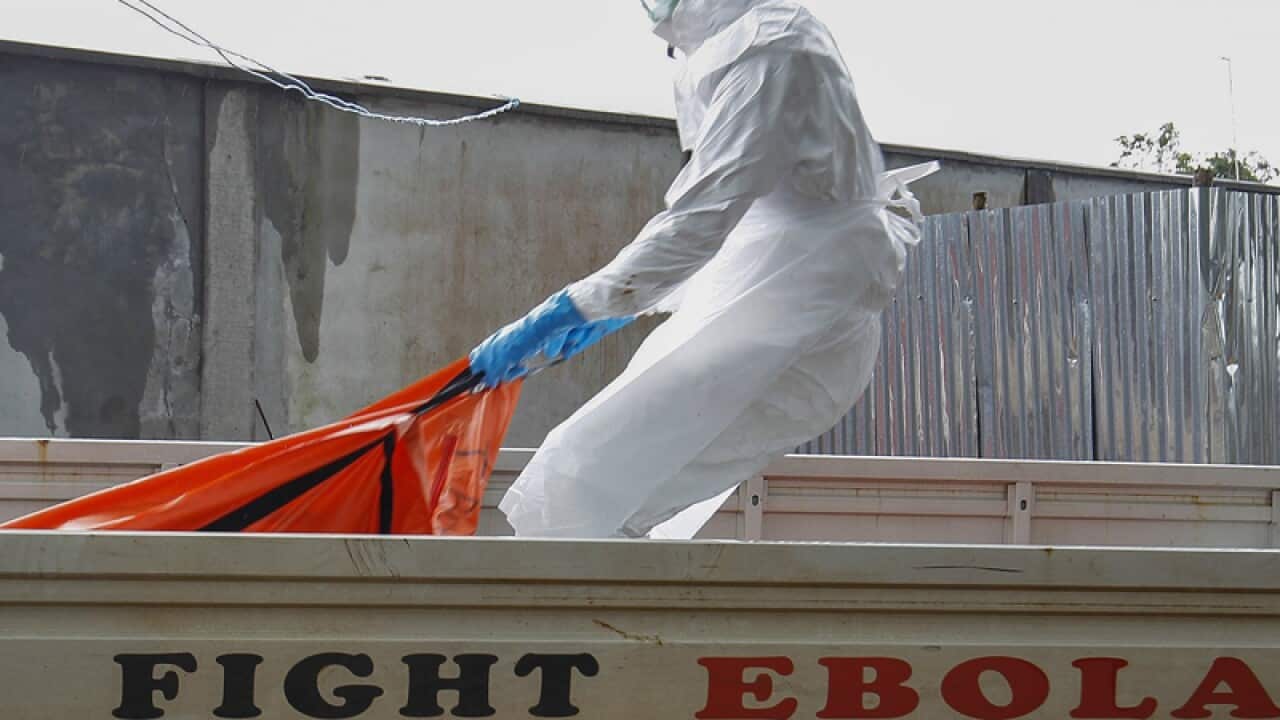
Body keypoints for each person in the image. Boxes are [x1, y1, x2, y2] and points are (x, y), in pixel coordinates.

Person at [469, 0, 937, 539]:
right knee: (602, 482)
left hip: (802, 300)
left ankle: (582, 586)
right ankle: (605, 584)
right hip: (794, 291)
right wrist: (627, 304)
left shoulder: (765, 51)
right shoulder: (754, 41)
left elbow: (700, 219)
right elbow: (742, 218)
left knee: (582, 478)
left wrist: (570, 308)